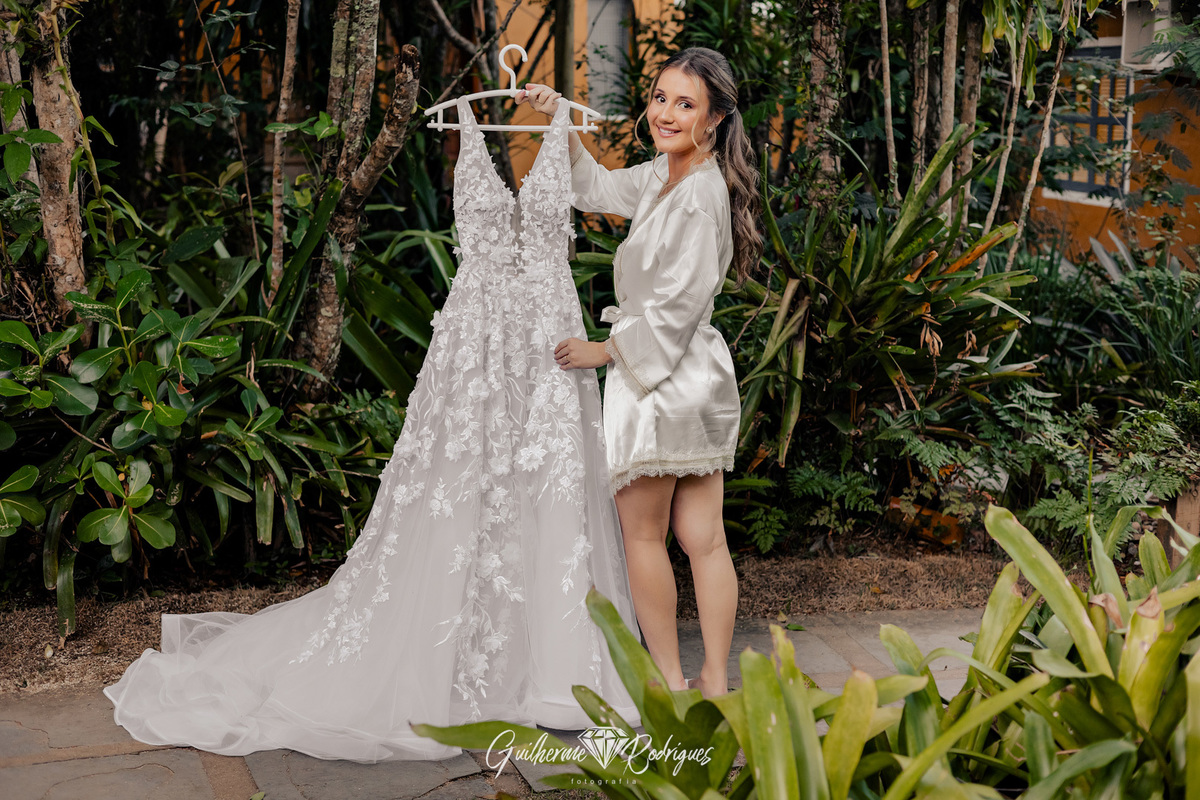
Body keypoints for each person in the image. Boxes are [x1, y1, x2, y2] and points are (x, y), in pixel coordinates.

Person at [516, 47, 762, 698]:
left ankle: (671, 682)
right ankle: (713, 681)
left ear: (714, 119)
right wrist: (562, 120)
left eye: (685, 104)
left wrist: (605, 350)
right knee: (704, 540)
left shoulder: (697, 192)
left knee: (645, 537)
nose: (666, 113)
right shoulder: (667, 176)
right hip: (696, 376)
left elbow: (680, 301)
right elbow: (595, 188)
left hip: (659, 379)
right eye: (659, 98)